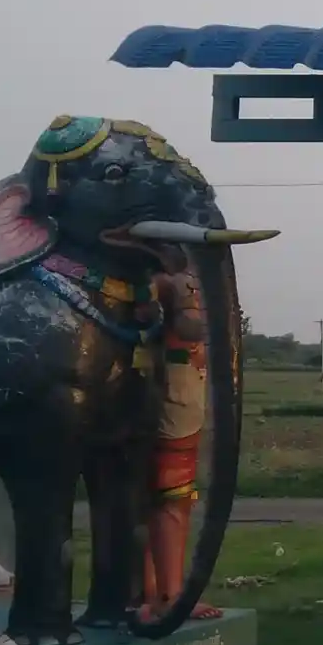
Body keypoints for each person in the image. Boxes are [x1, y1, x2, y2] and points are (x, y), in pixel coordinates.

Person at [144, 266, 222, 621]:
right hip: (173, 383)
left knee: (159, 496)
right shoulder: (175, 273)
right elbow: (190, 326)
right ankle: (168, 594)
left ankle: (151, 589)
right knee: (171, 494)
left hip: (175, 379)